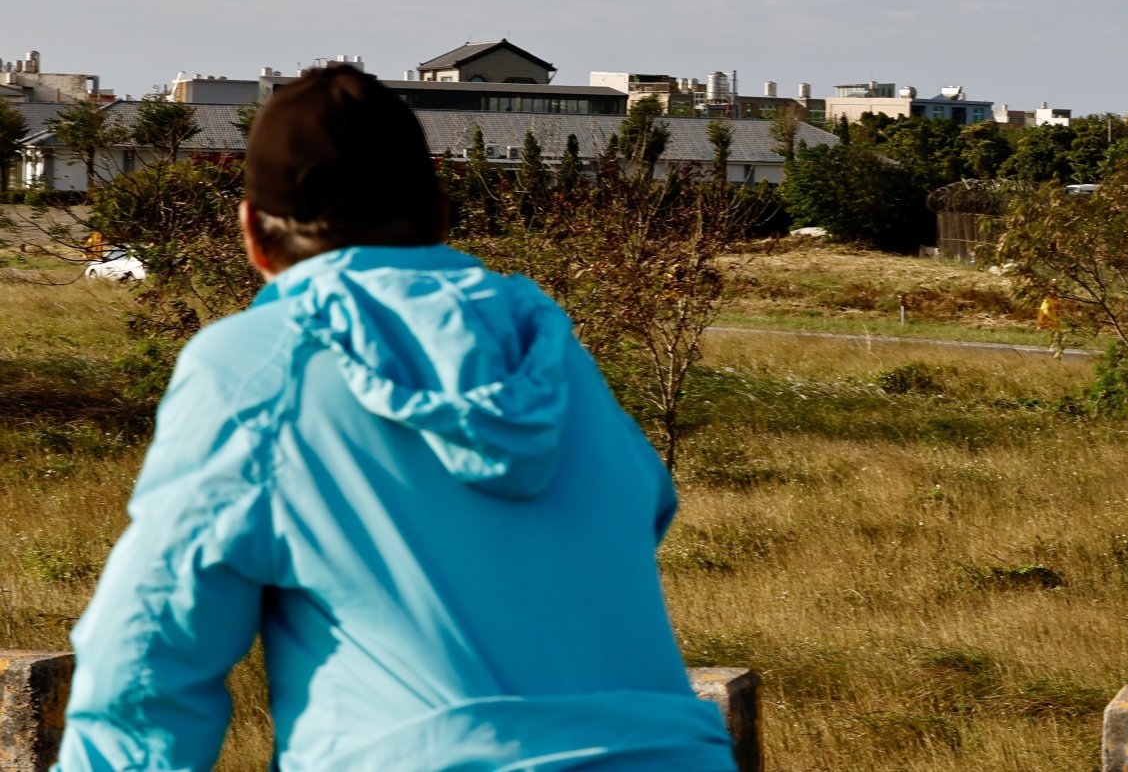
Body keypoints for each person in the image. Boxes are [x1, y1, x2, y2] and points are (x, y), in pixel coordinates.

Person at [58, 65, 736, 772]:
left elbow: (149, 654)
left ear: (254, 233)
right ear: (440, 213)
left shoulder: (259, 365)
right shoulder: (551, 353)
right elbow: (645, 506)